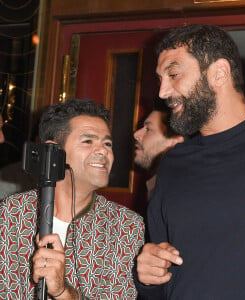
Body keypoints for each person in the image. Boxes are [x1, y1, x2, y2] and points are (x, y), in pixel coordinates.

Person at [135, 24, 245, 299]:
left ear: (219, 73)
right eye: (160, 78)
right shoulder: (173, 163)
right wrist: (149, 275)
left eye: (173, 74)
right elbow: (165, 278)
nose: (163, 92)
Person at [0, 98, 144, 299]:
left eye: (107, 143)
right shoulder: (11, 213)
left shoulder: (126, 226)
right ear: (54, 151)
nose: (103, 151)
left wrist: (62, 291)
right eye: (88, 141)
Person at [134, 100, 184, 199]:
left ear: (175, 142)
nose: (136, 135)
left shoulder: (179, 195)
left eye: (148, 129)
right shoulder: (158, 187)